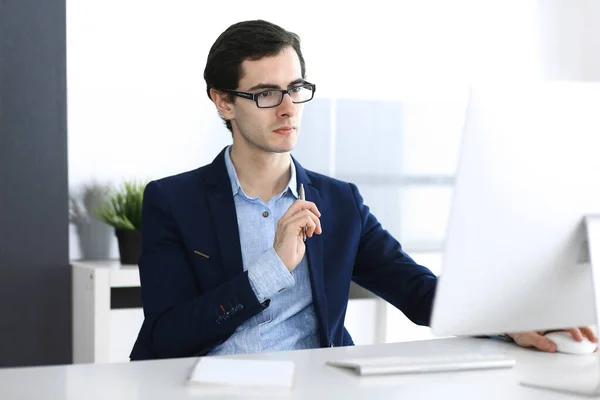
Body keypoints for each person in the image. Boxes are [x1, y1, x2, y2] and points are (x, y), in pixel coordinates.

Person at [129, 20, 596, 360]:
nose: (288, 108)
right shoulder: (173, 201)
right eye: (267, 94)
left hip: (318, 385)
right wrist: (272, 269)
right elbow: (169, 335)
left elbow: (414, 289)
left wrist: (509, 322)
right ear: (223, 101)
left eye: (296, 88)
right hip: (208, 387)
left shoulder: (339, 202)